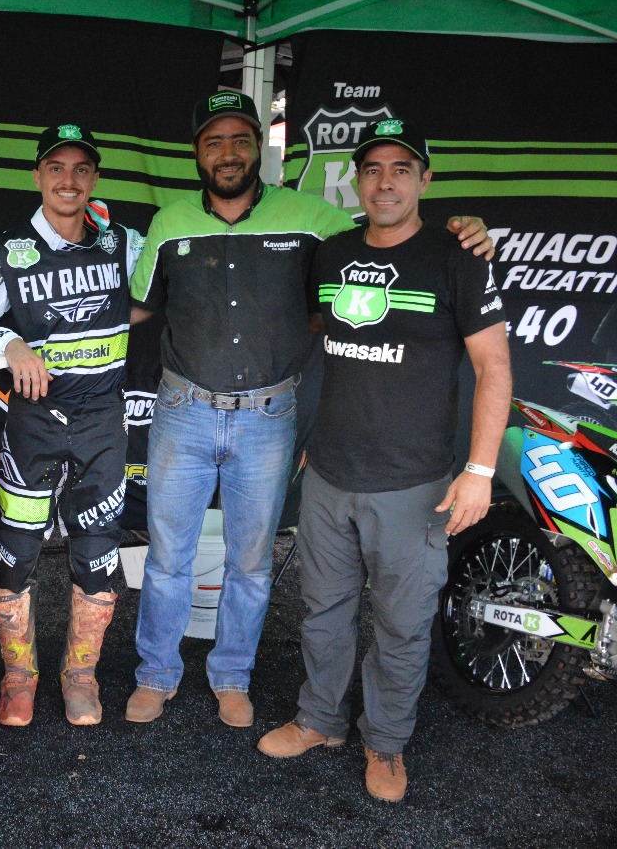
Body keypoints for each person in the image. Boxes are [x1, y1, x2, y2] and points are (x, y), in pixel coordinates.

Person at [126, 91, 493, 729]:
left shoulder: (315, 219)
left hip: (268, 415)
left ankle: (232, 675)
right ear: (197, 153)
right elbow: (136, 308)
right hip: (184, 408)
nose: (228, 153)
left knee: (251, 561)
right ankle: (156, 673)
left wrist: (464, 230)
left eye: (241, 140)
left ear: (260, 149)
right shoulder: (169, 222)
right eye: (214, 142)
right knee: (166, 557)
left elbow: (387, 239)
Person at [257, 120, 511, 802]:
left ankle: (387, 743)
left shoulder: (458, 256)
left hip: (414, 484)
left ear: (425, 179)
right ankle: (320, 720)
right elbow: (318, 330)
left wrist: (479, 471)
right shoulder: (334, 253)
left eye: (402, 168)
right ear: (358, 180)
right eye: (373, 169)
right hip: (329, 473)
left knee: (401, 623)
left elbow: (493, 367)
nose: (386, 181)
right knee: (323, 610)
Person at [0, 124, 144, 726]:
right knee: (16, 552)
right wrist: (9, 343)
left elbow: (166, 287)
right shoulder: (11, 253)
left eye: (81, 169)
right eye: (56, 168)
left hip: (102, 422)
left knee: (98, 554)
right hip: (36, 423)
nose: (68, 180)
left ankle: (80, 676)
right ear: (37, 177)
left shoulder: (124, 243)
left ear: (95, 178)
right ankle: (19, 677)